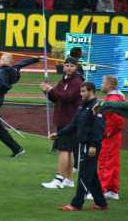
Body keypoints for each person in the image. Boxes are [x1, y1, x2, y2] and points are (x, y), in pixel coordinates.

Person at [49, 82, 107, 211]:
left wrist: (93, 145)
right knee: (91, 174)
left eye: (83, 91)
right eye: (80, 91)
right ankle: (101, 203)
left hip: (90, 146)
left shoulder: (97, 107)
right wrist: (59, 134)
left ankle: (76, 204)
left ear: (91, 91)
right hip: (82, 144)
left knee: (84, 174)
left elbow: (99, 128)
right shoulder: (82, 106)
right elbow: (73, 124)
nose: (81, 94)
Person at [40, 57, 83, 189]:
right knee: (68, 151)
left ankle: (58, 179)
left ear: (76, 67)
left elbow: (67, 96)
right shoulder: (64, 80)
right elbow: (56, 98)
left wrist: (51, 90)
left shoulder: (77, 81)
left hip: (69, 120)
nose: (69, 68)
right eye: (67, 65)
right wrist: (46, 91)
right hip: (64, 118)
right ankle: (69, 180)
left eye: (72, 66)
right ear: (63, 66)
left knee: (64, 150)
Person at [98, 75, 126, 200]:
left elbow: (116, 120)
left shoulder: (114, 98)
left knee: (106, 162)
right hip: (113, 135)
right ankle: (112, 191)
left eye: (103, 82)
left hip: (110, 136)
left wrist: (106, 133)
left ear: (109, 84)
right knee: (113, 163)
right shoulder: (115, 97)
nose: (101, 84)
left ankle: (102, 190)